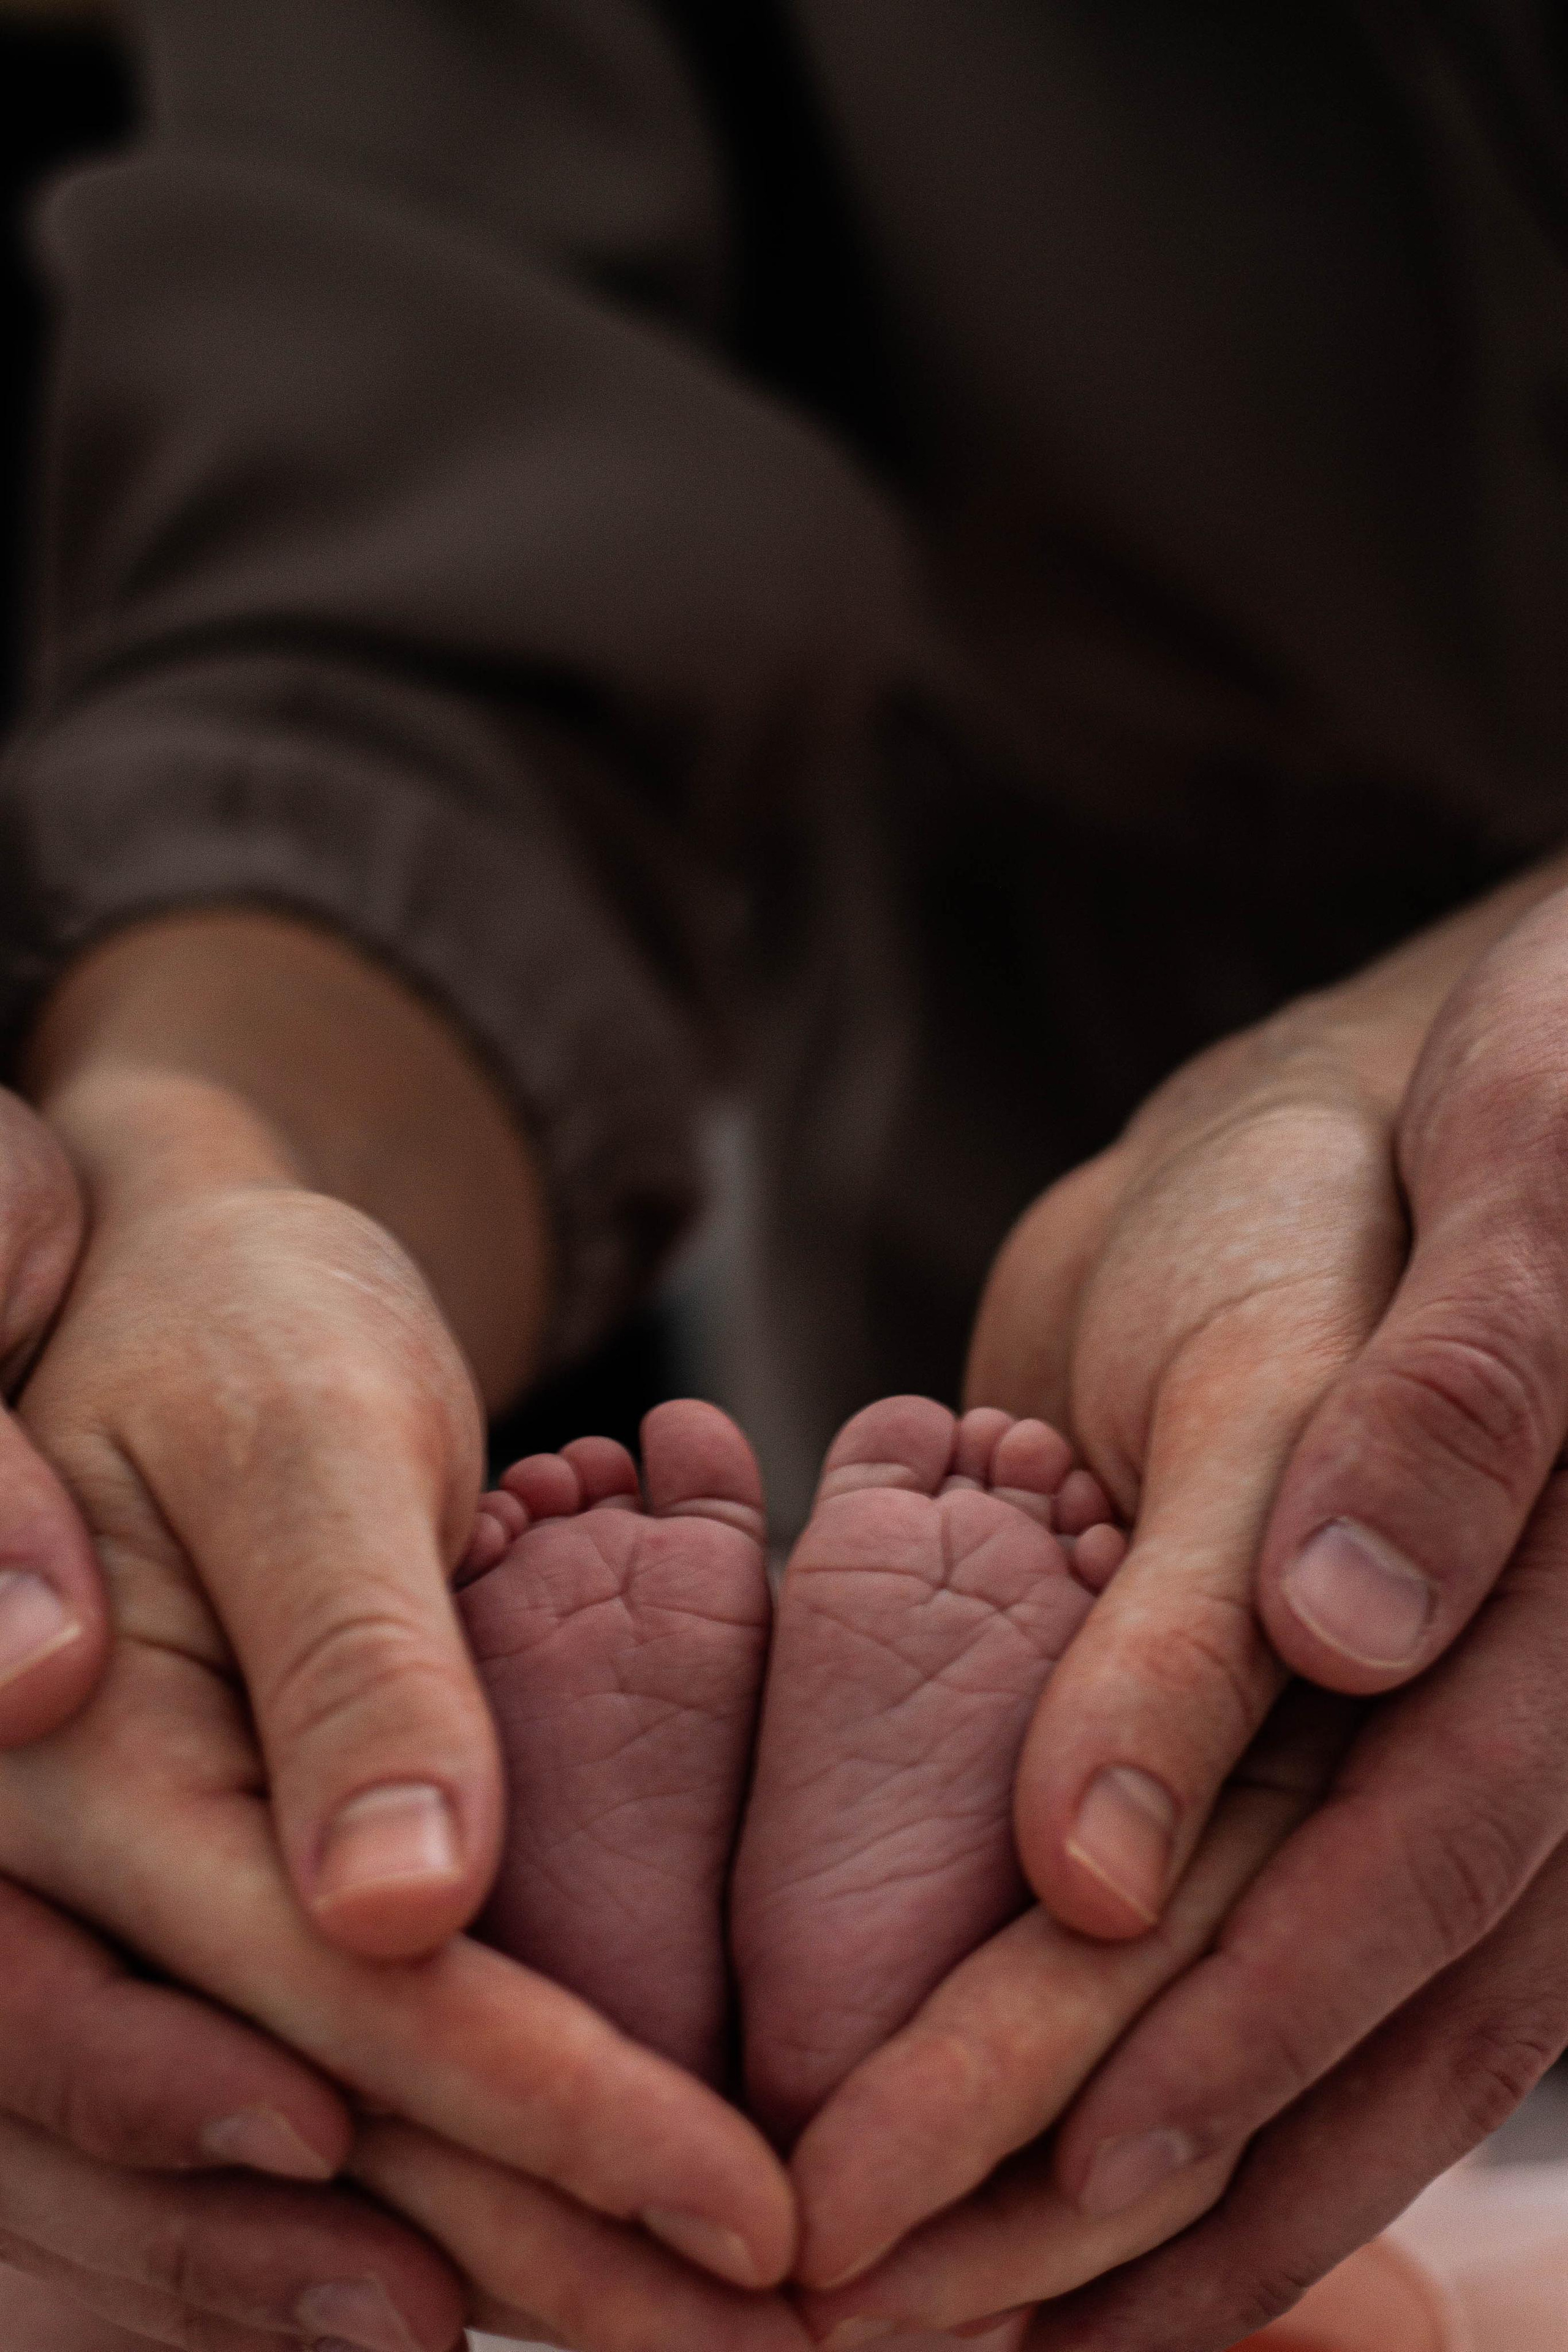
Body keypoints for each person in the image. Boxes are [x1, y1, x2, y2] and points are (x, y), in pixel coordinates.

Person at [2, 2, 1568, 2345]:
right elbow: (412, 626)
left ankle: (667, 2018)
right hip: (1135, 1218)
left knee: (1111, 2125)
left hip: (1173, 1239)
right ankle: (848, 2037)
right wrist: (199, 1180)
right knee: (1189, 2115)